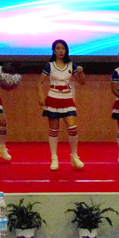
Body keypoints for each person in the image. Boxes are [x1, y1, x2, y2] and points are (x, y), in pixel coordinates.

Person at [37, 39, 86, 171]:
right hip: (53, 97)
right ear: (54, 51)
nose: (60, 51)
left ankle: (74, 156)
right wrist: (41, 97)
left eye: (63, 48)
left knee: (73, 127)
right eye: (58, 48)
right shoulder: (50, 66)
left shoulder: (71, 65)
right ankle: (54, 158)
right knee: (54, 129)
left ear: (66, 50)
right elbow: (39, 82)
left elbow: (82, 82)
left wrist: (81, 72)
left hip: (67, 97)